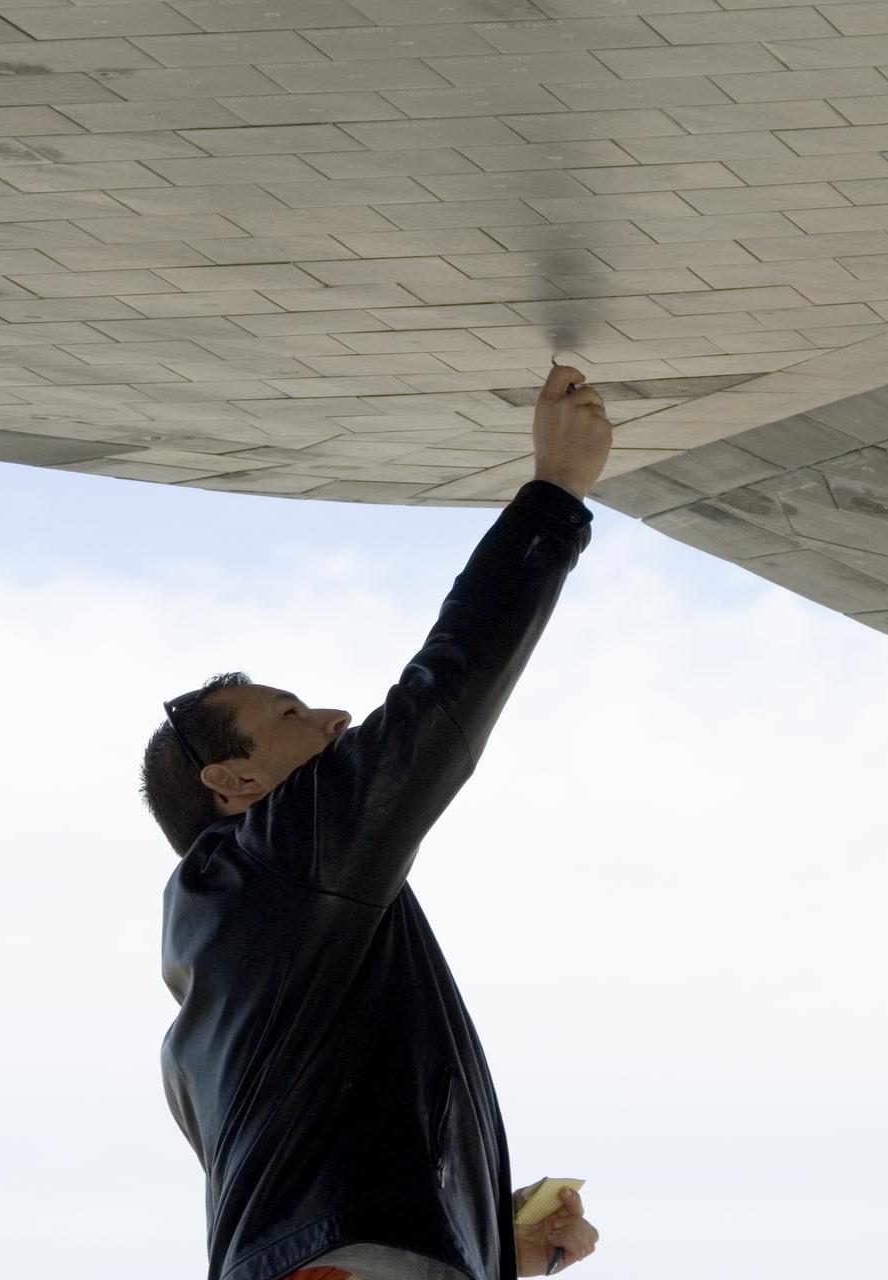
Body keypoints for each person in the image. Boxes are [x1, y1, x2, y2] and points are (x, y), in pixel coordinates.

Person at [140, 364, 610, 1280]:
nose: (335, 718)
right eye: (291, 714)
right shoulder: (273, 860)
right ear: (234, 781)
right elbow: (441, 700)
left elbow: (330, 1160)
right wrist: (554, 496)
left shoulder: (234, 971)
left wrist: (489, 1243)